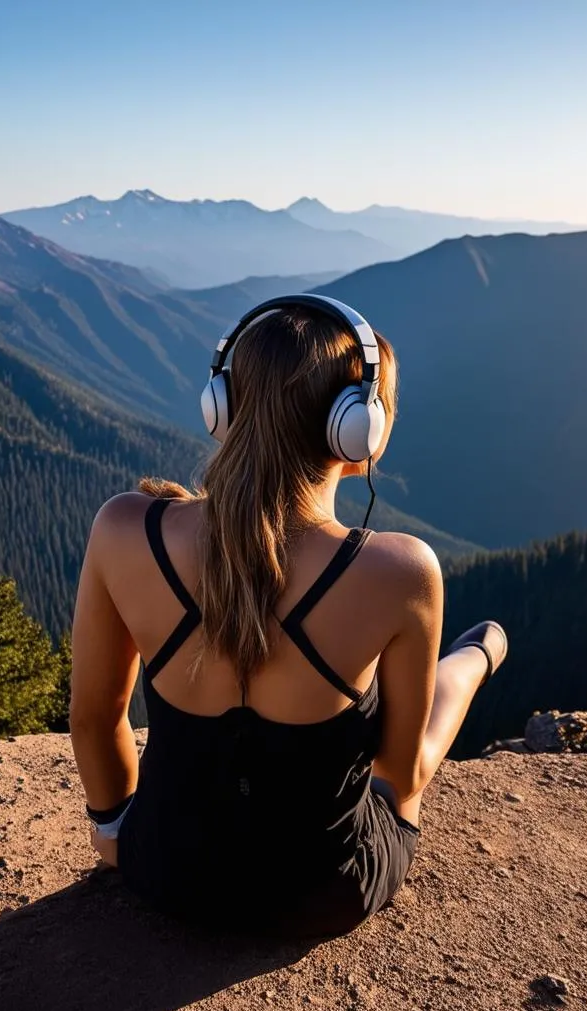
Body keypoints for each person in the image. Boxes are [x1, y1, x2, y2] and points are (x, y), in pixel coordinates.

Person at [69, 297, 508, 937]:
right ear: (358, 430)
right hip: (328, 893)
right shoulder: (402, 571)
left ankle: (472, 658)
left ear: (220, 408)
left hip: (165, 875)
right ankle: (475, 660)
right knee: (410, 763)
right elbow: (400, 772)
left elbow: (93, 720)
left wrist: (114, 833)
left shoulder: (123, 529)